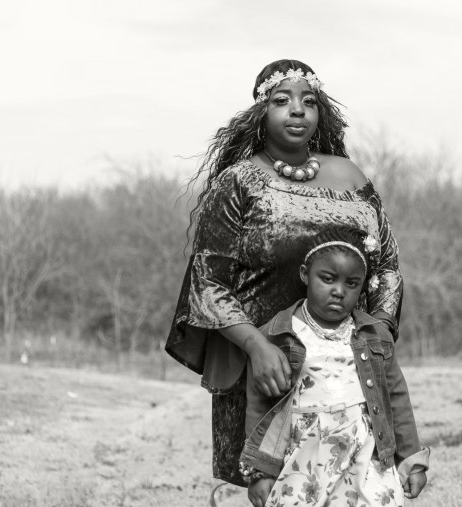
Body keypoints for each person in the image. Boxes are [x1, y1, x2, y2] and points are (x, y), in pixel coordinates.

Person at [165, 59, 404, 487]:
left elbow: (386, 265)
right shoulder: (238, 183)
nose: (297, 110)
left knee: (354, 482)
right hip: (265, 371)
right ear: (262, 111)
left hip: (348, 368)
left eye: (308, 101)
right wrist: (257, 347)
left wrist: (380, 330)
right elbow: (208, 283)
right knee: (275, 486)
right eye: (282, 100)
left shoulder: (352, 178)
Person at [240, 226, 429, 507]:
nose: (339, 291)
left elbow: (396, 396)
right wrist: (260, 472)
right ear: (306, 274)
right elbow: (260, 403)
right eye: (327, 279)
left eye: (352, 284)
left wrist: (412, 459)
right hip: (302, 454)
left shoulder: (374, 334)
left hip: (364, 451)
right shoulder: (278, 334)